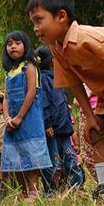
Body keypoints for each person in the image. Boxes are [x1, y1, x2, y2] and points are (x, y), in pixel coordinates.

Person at [27, 0, 104, 199]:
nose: (35, 28)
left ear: (61, 16)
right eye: (33, 22)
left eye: (39, 20)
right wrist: (90, 116)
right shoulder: (56, 48)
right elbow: (74, 82)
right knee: (94, 130)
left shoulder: (89, 37)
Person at [1, 31, 52, 198]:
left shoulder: (30, 67)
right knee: (16, 155)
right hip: (12, 121)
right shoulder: (9, 73)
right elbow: (6, 98)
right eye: (9, 44)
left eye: (17, 43)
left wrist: (20, 117)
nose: (13, 46)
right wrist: (7, 117)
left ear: (26, 45)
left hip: (29, 118)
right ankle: (24, 193)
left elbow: (31, 92)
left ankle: (34, 191)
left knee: (31, 154)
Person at [36, 46, 85, 192]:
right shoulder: (43, 79)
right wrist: (47, 123)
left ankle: (78, 188)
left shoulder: (59, 77)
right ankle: (51, 191)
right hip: (52, 129)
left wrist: (69, 123)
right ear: (52, 61)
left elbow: (62, 102)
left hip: (64, 129)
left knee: (72, 160)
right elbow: (43, 102)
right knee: (54, 162)